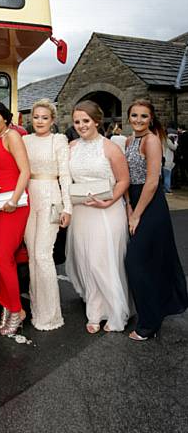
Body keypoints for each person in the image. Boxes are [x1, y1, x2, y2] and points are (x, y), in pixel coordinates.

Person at [65, 100, 131, 333]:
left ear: (96, 121)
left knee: (102, 261)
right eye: (77, 121)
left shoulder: (110, 147)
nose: (81, 125)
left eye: (85, 121)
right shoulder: (71, 146)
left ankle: (114, 312)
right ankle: (94, 312)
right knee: (86, 261)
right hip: (82, 211)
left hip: (107, 211)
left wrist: (109, 201)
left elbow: (124, 180)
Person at [125, 99, 188, 341]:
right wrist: (129, 206)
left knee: (136, 262)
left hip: (151, 205)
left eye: (143, 116)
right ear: (129, 117)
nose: (138, 120)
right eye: (134, 115)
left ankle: (148, 324)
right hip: (136, 200)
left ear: (151, 119)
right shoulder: (131, 140)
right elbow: (130, 178)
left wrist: (136, 214)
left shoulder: (151, 141)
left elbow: (152, 182)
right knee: (148, 262)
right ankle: (153, 314)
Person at [23, 99, 71, 331]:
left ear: (52, 120)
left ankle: (51, 315)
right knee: (32, 255)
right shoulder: (24, 140)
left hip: (51, 197)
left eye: (44, 117)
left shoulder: (59, 140)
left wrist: (67, 207)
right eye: (36, 117)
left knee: (43, 255)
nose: (39, 121)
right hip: (28, 199)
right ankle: (37, 310)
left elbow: (65, 175)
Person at [0, 101, 30, 336]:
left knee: (3, 258)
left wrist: (14, 200)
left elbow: (25, 171)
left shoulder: (12, 137)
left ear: (5, 119)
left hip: (14, 205)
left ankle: (17, 309)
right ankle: (7, 308)